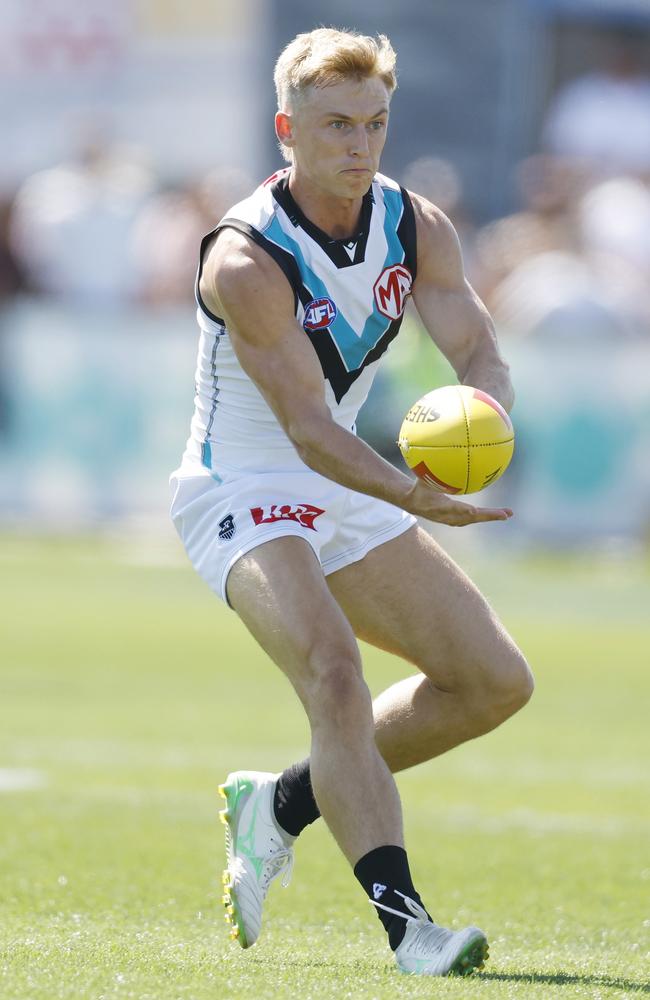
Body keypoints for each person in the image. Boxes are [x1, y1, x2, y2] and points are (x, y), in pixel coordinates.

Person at [170, 27, 533, 978]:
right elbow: (307, 431)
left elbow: (479, 347)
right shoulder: (247, 258)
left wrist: (484, 412)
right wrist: (418, 495)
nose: (358, 145)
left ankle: (280, 805)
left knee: (495, 684)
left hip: (346, 485)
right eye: (335, 125)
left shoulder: (415, 224)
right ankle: (411, 931)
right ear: (286, 129)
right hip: (241, 487)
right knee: (334, 673)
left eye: (373, 124)